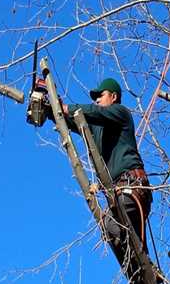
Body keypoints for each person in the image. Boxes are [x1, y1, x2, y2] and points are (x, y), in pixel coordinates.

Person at [49, 78, 152, 251]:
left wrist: (68, 108)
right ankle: (145, 271)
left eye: (100, 95)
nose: (96, 100)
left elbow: (92, 112)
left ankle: (140, 261)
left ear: (113, 96)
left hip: (131, 187)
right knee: (131, 249)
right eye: (95, 97)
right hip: (119, 194)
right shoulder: (97, 127)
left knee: (110, 224)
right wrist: (51, 110)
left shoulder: (121, 113)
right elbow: (74, 121)